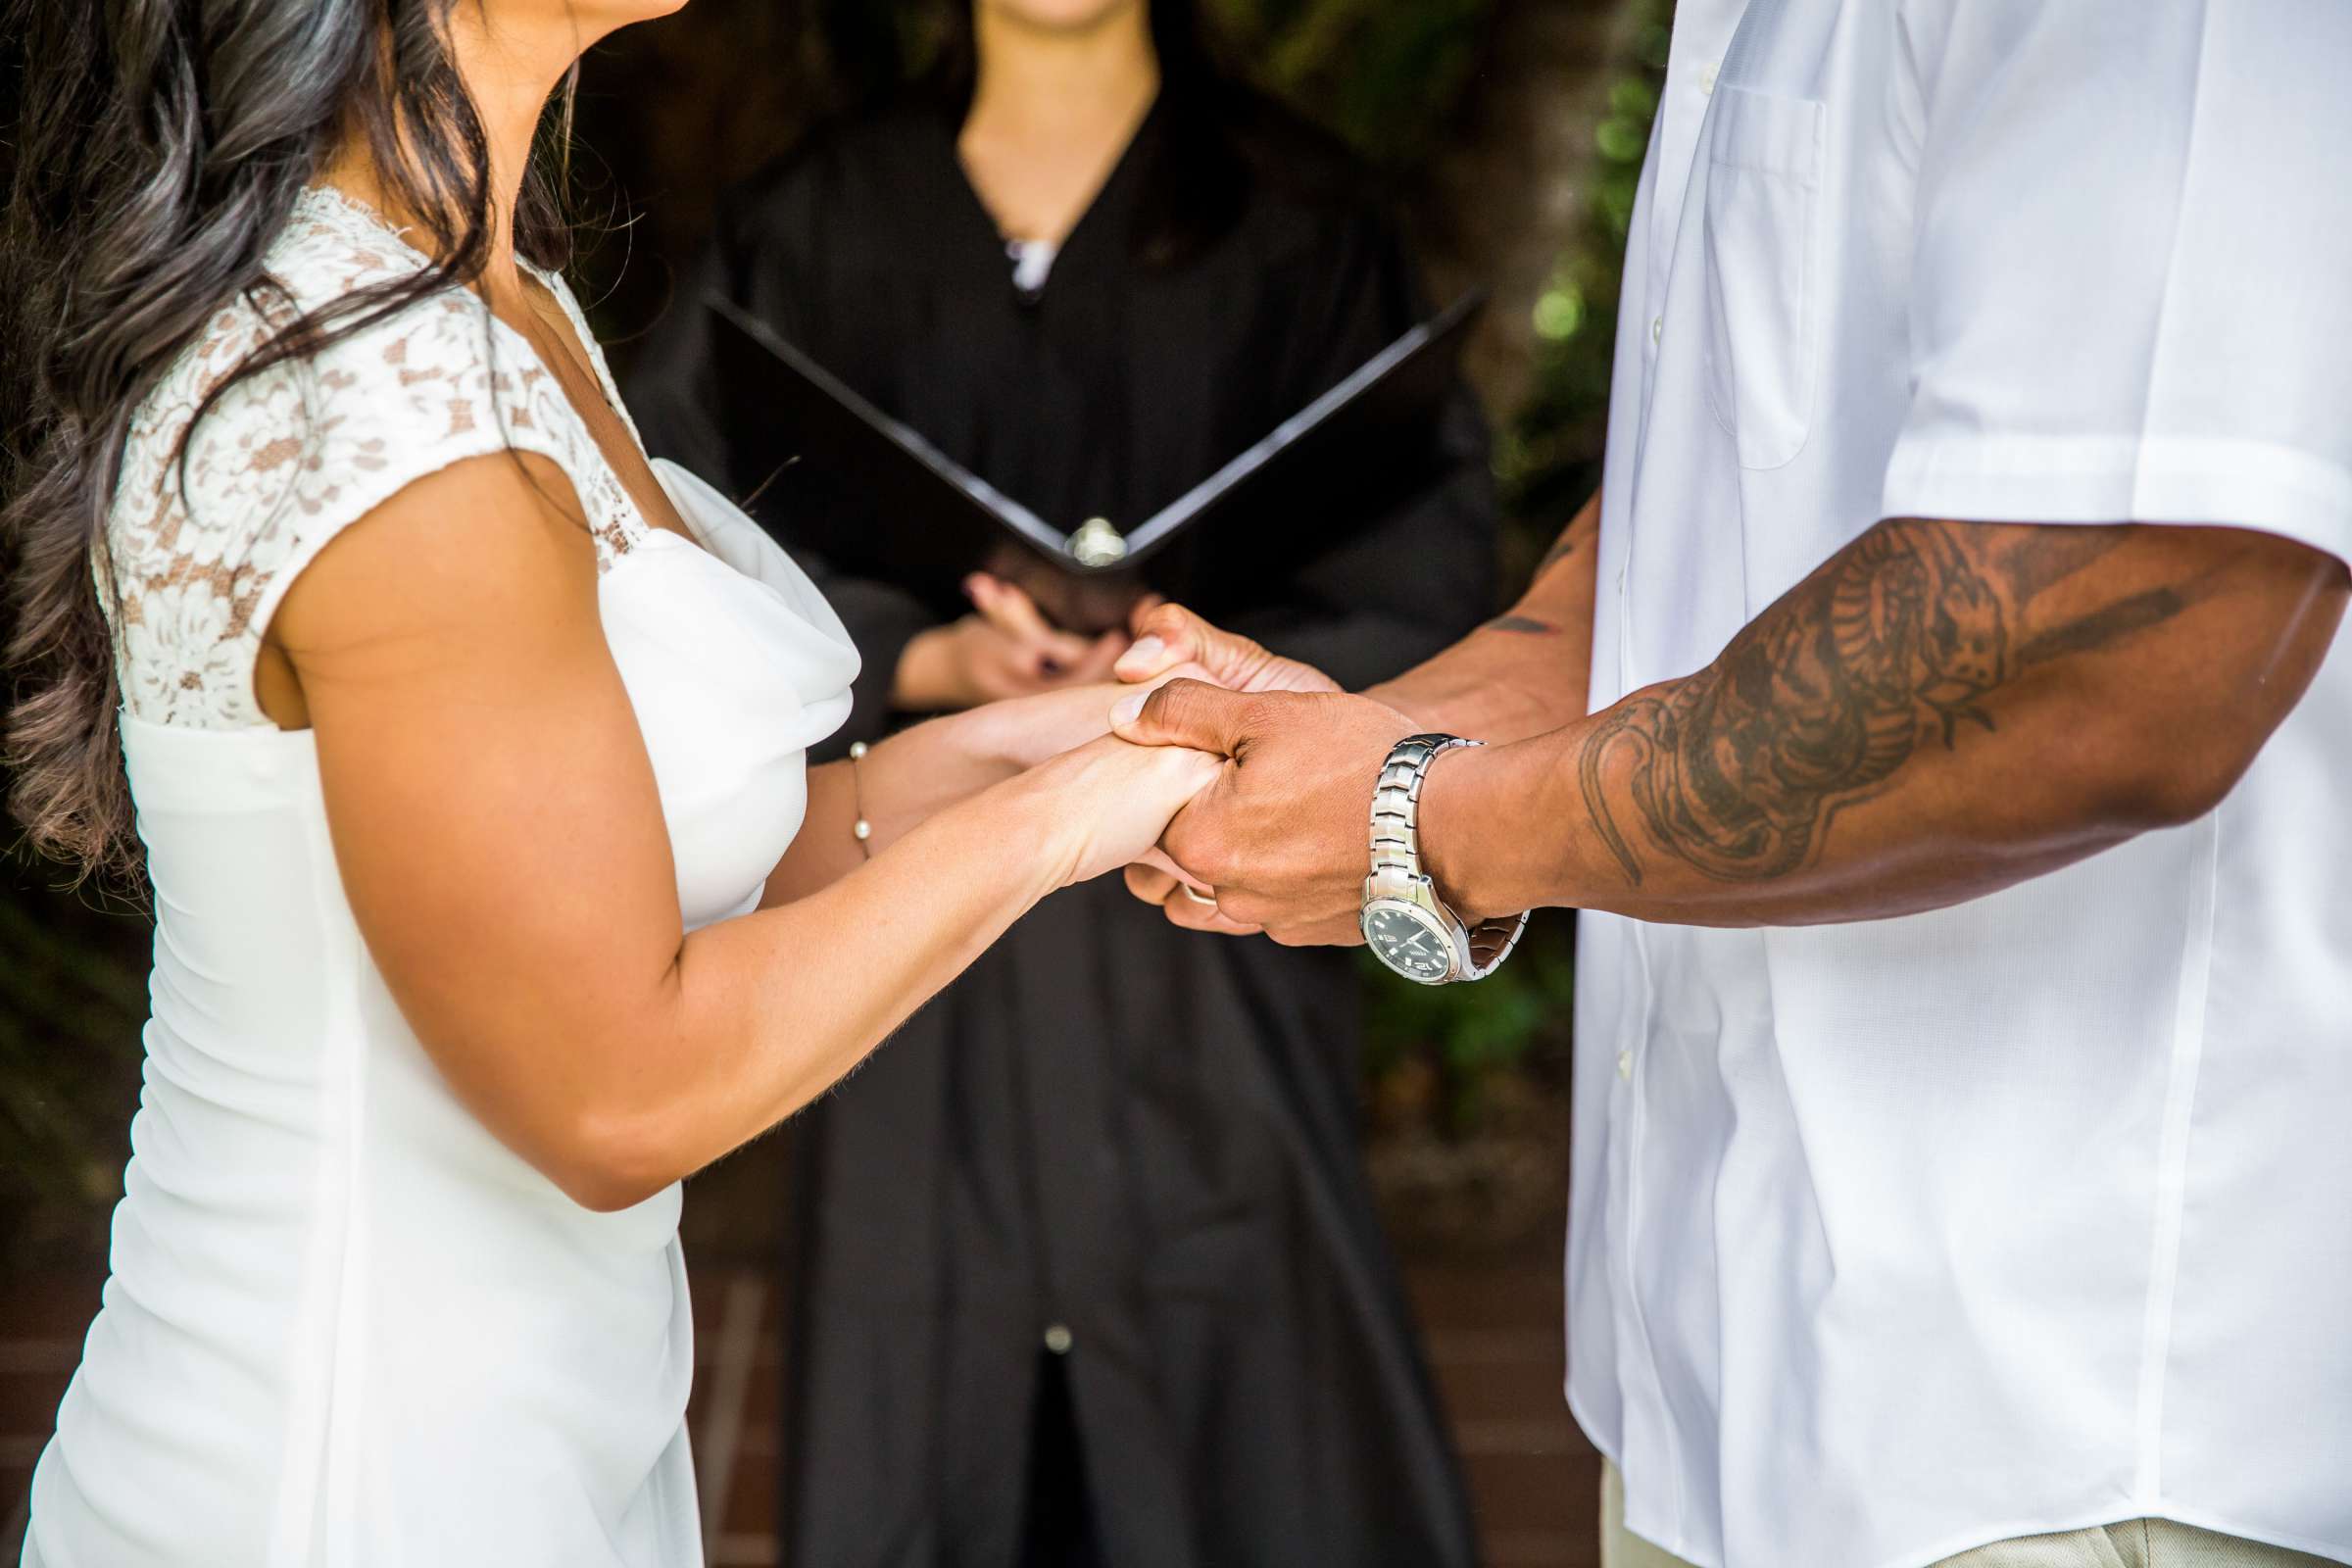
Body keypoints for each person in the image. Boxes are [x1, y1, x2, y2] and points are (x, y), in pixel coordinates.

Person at [1110, 3, 2352, 1566]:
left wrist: (1425, 819)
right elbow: (1724, 501)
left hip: (2058, 1420)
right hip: (1718, 1380)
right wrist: (1353, 736)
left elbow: (2114, 627)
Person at [0, 0, 1222, 1562]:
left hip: (541, 1432)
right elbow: (616, 1090)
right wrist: (1072, 822)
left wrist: (1102, 729)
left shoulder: (487, 290)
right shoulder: (375, 414)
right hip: (350, 1468)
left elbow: (674, 870)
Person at [623, 2, 1492, 1562]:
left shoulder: (1307, 220)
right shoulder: (814, 219)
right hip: (910, 910)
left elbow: (1420, 545)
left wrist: (1196, 683)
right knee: (922, 1372)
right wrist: (923, 657)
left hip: (1202, 902)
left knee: (1237, 1368)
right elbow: (683, 532)